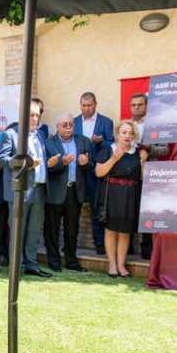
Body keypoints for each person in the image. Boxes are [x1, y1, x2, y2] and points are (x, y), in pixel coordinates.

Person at [0, 101, 55, 277]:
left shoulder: (40, 135)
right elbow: (1, 159)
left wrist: (49, 163)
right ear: (22, 115)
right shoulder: (10, 134)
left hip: (39, 189)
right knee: (18, 231)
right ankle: (16, 266)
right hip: (19, 191)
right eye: (31, 115)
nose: (35, 118)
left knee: (34, 231)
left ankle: (31, 264)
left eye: (37, 115)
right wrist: (26, 164)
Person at [94, 120, 147, 278]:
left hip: (130, 195)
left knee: (125, 232)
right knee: (111, 230)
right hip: (111, 194)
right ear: (117, 134)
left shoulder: (138, 153)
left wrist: (143, 162)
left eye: (130, 133)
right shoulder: (108, 149)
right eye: (124, 132)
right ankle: (112, 265)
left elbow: (143, 177)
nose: (127, 136)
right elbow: (99, 172)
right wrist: (114, 159)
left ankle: (121, 265)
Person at [44, 113, 93, 272]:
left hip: (74, 191)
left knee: (72, 229)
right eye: (64, 125)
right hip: (55, 192)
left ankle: (71, 261)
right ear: (57, 126)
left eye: (71, 124)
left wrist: (86, 163)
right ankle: (54, 261)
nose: (68, 128)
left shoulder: (84, 141)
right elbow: (45, 168)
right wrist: (61, 163)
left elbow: (91, 165)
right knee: (52, 229)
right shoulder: (48, 143)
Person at [73, 92, 114, 255]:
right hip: (78, 170)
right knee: (73, 208)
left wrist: (102, 142)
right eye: (83, 105)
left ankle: (100, 245)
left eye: (89, 105)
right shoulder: (74, 122)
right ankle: (71, 245)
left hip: (96, 171)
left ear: (95, 105)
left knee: (96, 208)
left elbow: (111, 144)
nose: (86, 108)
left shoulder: (106, 122)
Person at [130, 93, 168, 259]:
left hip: (149, 177)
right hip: (128, 177)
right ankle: (127, 248)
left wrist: (149, 148)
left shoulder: (156, 126)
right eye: (133, 105)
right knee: (129, 212)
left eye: (140, 104)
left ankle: (147, 250)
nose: (136, 108)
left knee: (148, 213)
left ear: (146, 106)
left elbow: (165, 149)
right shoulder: (126, 125)